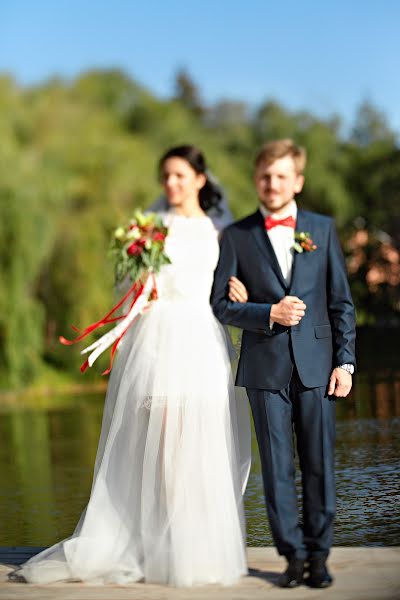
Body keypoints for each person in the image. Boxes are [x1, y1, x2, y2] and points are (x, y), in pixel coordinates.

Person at [19, 145, 251, 587]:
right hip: (160, 339)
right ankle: (154, 542)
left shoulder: (222, 231)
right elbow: (127, 284)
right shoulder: (149, 227)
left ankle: (197, 545)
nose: (172, 183)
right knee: (163, 439)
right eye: (166, 175)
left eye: (180, 175)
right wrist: (139, 282)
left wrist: (238, 290)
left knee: (201, 437)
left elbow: (227, 285)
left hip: (202, 339)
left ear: (200, 179)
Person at [211, 139, 356, 589]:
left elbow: (341, 303)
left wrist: (345, 364)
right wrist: (264, 313)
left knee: (318, 463)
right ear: (256, 180)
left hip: (318, 365)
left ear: (297, 181)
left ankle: (319, 556)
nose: (271, 184)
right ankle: (291, 556)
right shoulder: (235, 236)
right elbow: (219, 304)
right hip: (264, 367)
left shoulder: (322, 229)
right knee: (277, 468)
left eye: (280, 176)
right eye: (264, 176)